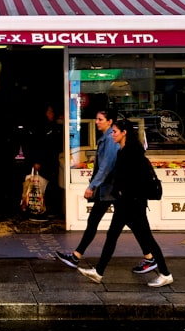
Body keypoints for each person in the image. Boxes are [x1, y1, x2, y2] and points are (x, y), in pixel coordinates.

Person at [55, 108, 157, 274]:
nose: (97, 122)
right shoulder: (108, 138)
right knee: (110, 223)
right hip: (111, 189)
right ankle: (77, 256)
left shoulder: (111, 139)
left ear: (110, 122)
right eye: (97, 119)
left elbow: (106, 167)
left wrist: (92, 186)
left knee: (119, 226)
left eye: (100, 119)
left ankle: (151, 259)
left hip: (111, 190)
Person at [76, 118, 174, 288]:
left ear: (124, 133)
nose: (112, 135)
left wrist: (122, 193)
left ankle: (165, 274)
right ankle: (99, 272)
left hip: (132, 204)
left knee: (146, 239)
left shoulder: (131, 153)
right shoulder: (124, 152)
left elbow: (133, 180)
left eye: (115, 131)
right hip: (126, 203)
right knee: (113, 236)